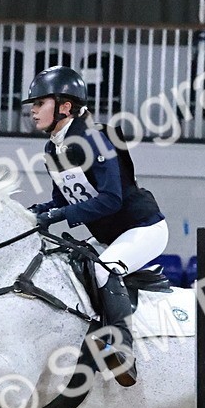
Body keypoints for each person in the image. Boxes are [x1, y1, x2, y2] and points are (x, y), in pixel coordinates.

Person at [22, 65, 168, 387]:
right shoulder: (53, 148)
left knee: (104, 271)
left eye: (40, 103)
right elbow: (63, 199)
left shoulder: (95, 138)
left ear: (65, 106)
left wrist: (57, 216)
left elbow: (111, 199)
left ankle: (123, 350)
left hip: (142, 228)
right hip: (110, 236)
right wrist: (33, 213)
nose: (33, 110)